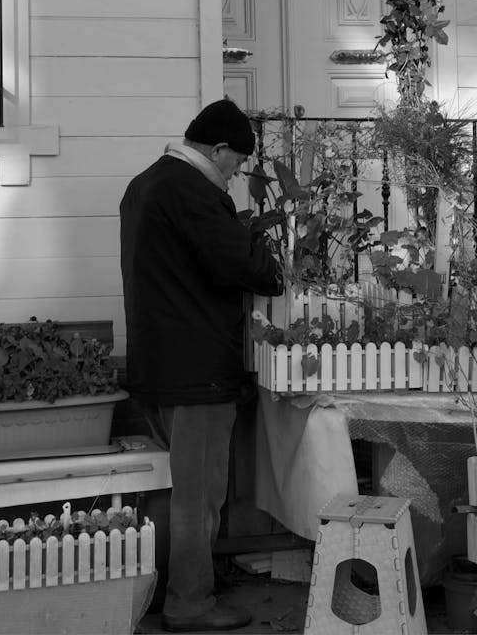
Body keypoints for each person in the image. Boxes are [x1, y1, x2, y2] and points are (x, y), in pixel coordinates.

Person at [120, 99, 284, 633]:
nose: (236, 173)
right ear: (216, 149)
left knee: (181, 491)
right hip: (197, 370)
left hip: (160, 361)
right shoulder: (192, 192)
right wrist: (261, 246)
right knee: (201, 497)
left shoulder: (145, 184)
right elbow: (247, 267)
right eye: (235, 162)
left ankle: (173, 591)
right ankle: (190, 604)